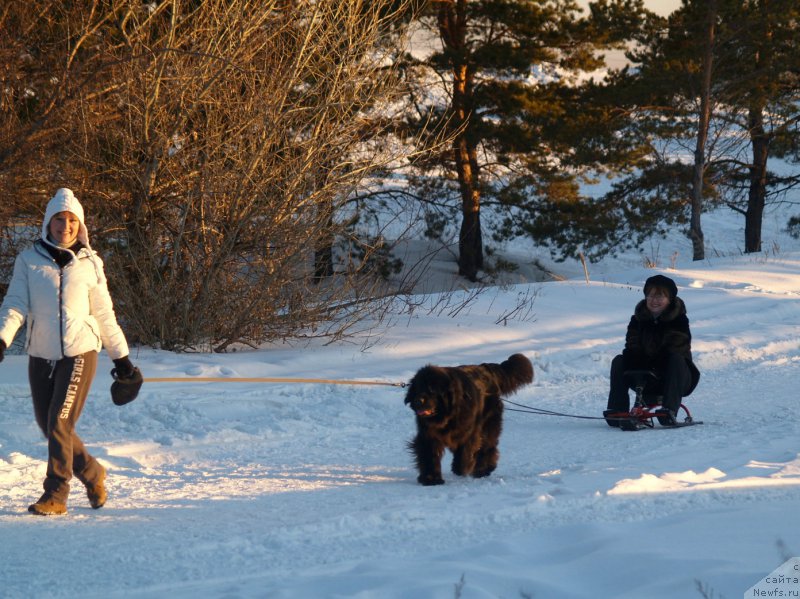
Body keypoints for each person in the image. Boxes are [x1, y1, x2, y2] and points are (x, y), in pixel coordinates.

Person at [0, 188, 140, 515]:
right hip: (41, 351)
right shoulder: (29, 260)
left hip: (81, 351)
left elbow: (104, 314)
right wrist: (3, 338)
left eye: (72, 220)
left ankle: (56, 493)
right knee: (47, 423)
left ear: (81, 225)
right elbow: (15, 305)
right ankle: (92, 472)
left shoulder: (91, 263)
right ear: (48, 223)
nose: (66, 226)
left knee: (60, 422)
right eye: (59, 219)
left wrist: (122, 361)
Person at [604, 274, 700, 426]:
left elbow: (676, 346)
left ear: (669, 299)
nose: (654, 301)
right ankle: (617, 410)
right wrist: (636, 360)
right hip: (646, 376)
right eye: (650, 296)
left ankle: (669, 411)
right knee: (619, 360)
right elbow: (632, 345)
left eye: (659, 296)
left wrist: (648, 362)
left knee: (675, 358)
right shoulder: (637, 320)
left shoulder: (679, 319)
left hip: (674, 376)